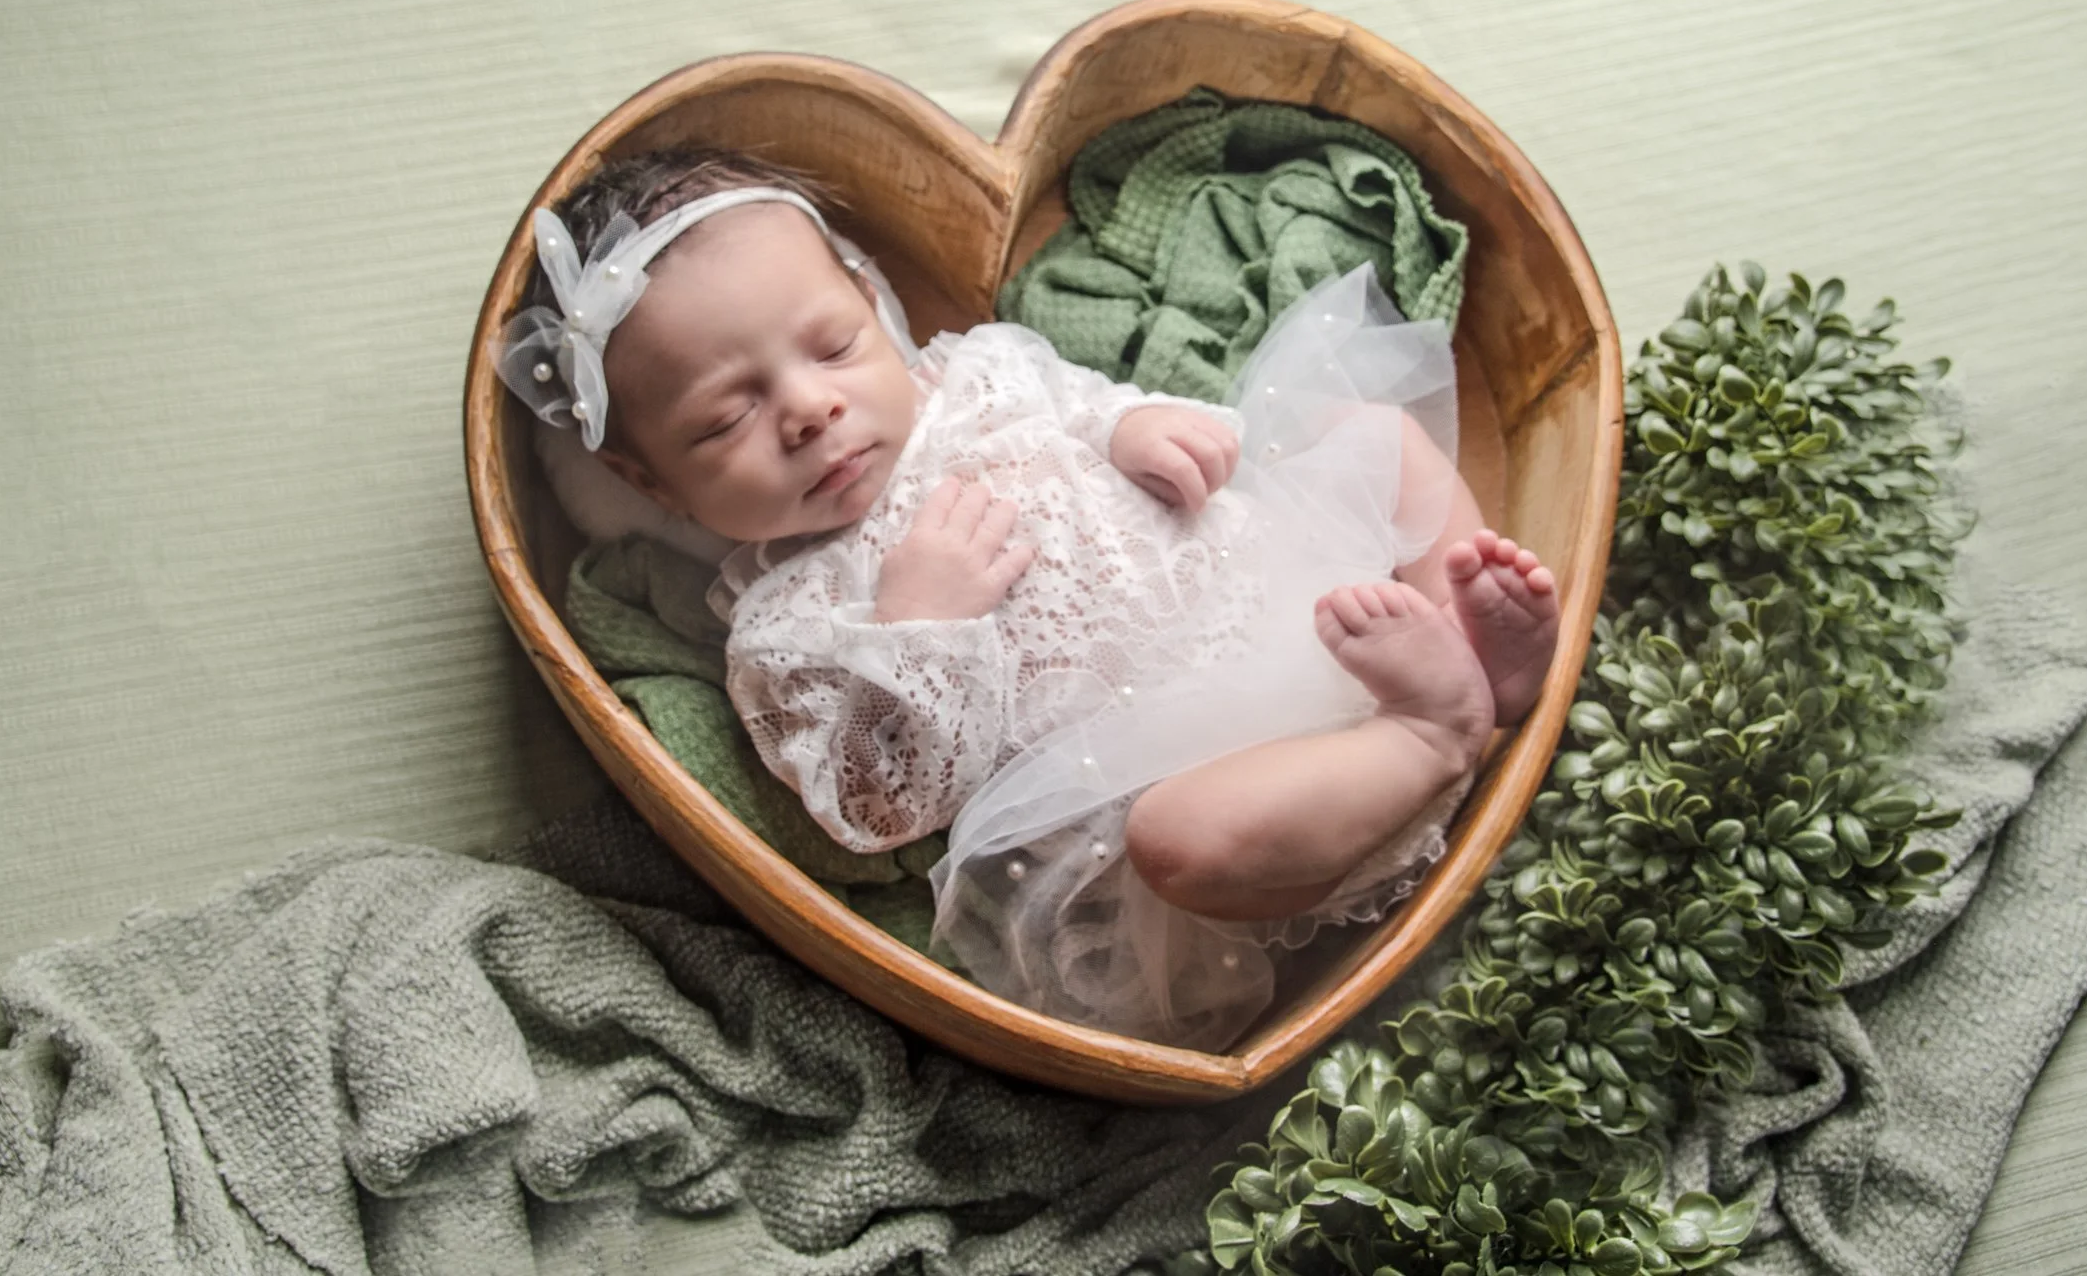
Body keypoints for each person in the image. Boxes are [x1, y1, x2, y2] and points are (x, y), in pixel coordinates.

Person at [495, 149, 1559, 1046]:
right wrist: (921, 627)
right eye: (725, 421)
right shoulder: (786, 628)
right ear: (650, 483)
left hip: (1285, 586)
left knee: (1368, 433)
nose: (810, 410)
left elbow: (1095, 404)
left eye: (831, 347)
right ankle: (1432, 728)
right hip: (1211, 775)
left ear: (875, 304)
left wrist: (1137, 429)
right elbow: (874, 808)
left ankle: (1472, 647)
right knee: (1179, 840)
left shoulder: (981, 373)